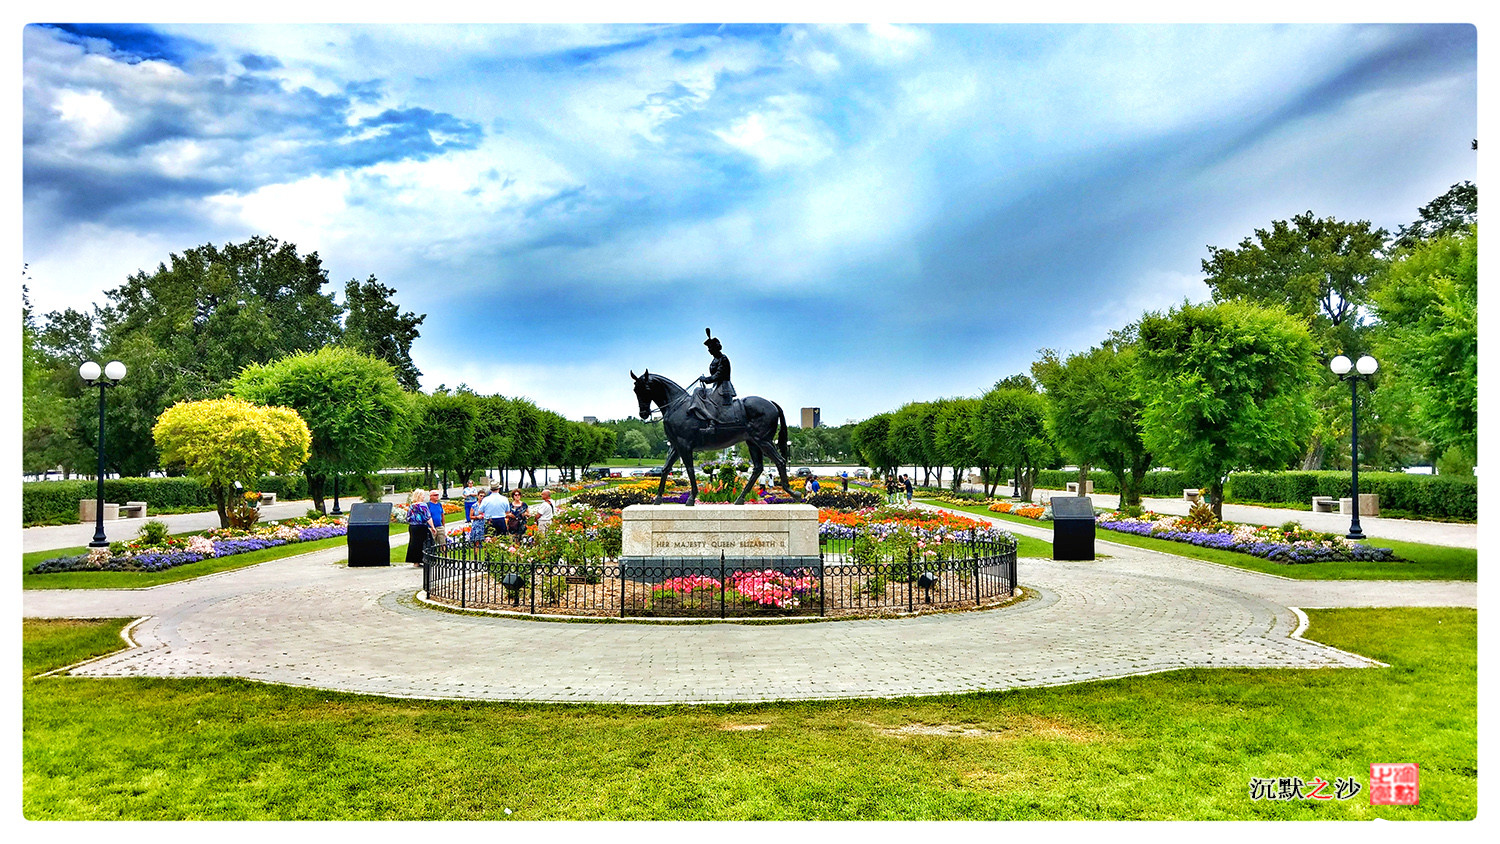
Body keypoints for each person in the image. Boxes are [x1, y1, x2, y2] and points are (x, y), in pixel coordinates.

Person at [688, 328, 736, 427]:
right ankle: (697, 412)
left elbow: (719, 375)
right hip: (716, 386)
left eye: (710, 348)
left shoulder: (723, 359)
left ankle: (712, 421)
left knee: (711, 402)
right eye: (708, 349)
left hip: (723, 387)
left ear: (715, 348)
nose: (709, 351)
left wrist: (706, 379)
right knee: (698, 390)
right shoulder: (714, 360)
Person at [404, 488, 435, 566]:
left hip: (413, 527)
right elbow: (428, 517)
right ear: (420, 496)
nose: (424, 497)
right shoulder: (423, 505)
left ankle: (415, 562)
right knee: (425, 542)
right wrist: (432, 527)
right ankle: (426, 559)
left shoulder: (412, 506)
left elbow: (408, 517)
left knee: (414, 543)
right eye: (423, 495)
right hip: (421, 526)